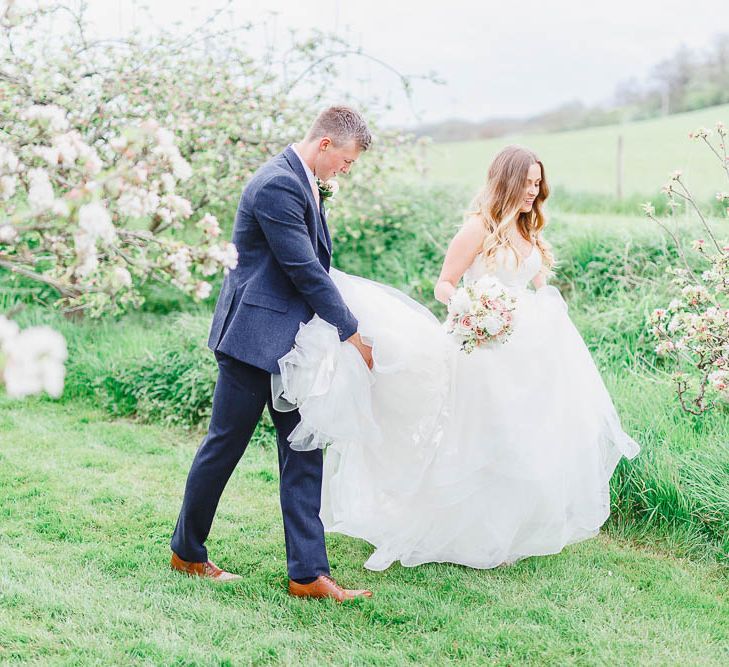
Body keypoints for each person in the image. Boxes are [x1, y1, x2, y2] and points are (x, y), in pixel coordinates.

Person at [275, 145, 640, 571]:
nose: (533, 191)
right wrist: (473, 307)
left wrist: (542, 315)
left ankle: (505, 532)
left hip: (527, 354)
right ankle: (461, 530)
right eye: (526, 183)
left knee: (521, 438)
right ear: (505, 182)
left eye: (538, 184)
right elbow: (444, 285)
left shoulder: (530, 229)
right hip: (480, 349)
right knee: (479, 435)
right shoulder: (477, 229)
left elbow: (538, 287)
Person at [169, 106, 374, 601]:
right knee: (225, 446)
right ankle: (187, 552)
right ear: (325, 145)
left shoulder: (303, 180)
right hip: (251, 340)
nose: (346, 172)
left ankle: (307, 574)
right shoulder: (276, 185)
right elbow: (304, 268)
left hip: (292, 343)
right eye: (345, 162)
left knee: (304, 446)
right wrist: (352, 332)